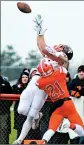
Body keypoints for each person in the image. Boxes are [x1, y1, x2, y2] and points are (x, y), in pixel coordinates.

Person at [13, 14, 73, 144]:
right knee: (21, 110)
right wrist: (39, 32)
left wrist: (42, 37)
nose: (59, 45)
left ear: (65, 51)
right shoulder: (53, 54)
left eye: (62, 46)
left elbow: (53, 54)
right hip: (36, 79)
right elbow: (42, 47)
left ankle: (19, 140)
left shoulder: (62, 56)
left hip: (45, 86)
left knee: (29, 114)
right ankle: (38, 116)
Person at [35, 58, 84, 144]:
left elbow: (39, 81)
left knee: (51, 129)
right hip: (67, 103)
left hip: (57, 106)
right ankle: (70, 125)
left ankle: (43, 141)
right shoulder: (59, 73)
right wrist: (57, 58)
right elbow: (65, 66)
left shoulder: (40, 82)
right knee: (82, 132)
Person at [0, 74, 12, 144]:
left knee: (3, 129)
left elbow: (11, 96)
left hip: (3, 112)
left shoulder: (5, 83)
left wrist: (6, 106)